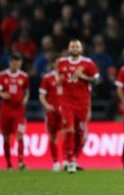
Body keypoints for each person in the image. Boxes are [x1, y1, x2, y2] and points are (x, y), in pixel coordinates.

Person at [57, 39, 99, 173]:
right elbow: (59, 81)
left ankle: (73, 158)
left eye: (77, 46)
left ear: (81, 49)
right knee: (69, 130)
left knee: (80, 134)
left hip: (82, 104)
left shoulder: (88, 63)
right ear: (69, 48)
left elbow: (97, 79)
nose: (74, 48)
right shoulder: (62, 63)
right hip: (67, 103)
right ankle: (69, 161)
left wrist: (83, 77)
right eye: (72, 46)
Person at [0, 53, 29, 170]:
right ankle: (8, 162)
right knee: (6, 137)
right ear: (10, 63)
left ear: (20, 64)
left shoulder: (24, 76)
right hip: (5, 111)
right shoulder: (2, 75)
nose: (16, 65)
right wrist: (3, 94)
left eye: (18, 63)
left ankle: (20, 162)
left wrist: (25, 99)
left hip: (19, 111)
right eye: (14, 63)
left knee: (20, 135)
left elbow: (26, 91)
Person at [39, 56, 63, 171]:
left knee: (67, 135)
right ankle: (55, 162)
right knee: (52, 136)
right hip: (52, 112)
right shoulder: (47, 78)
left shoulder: (68, 77)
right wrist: (47, 106)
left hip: (65, 111)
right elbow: (41, 95)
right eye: (58, 63)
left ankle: (67, 161)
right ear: (53, 64)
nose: (60, 65)